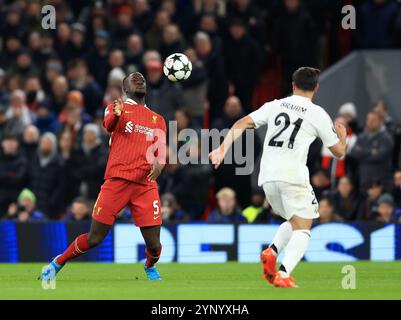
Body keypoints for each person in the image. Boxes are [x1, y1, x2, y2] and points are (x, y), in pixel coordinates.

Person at [209, 67, 347, 288]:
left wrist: (222, 149)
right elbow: (338, 152)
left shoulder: (274, 105)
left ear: (293, 85)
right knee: (304, 227)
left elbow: (241, 122)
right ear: (316, 88)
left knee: (293, 221)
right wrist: (343, 137)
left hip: (268, 178)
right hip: (292, 176)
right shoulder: (317, 113)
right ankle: (283, 273)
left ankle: (272, 250)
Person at [40, 72, 167, 282]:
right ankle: (58, 262)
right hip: (117, 181)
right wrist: (117, 115)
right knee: (95, 238)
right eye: (134, 79)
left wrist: (160, 166)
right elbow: (108, 124)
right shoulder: (117, 107)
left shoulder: (158, 120)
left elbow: (161, 152)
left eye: (142, 78)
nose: (140, 79)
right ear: (125, 88)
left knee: (154, 245)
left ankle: (150, 266)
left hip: (145, 184)